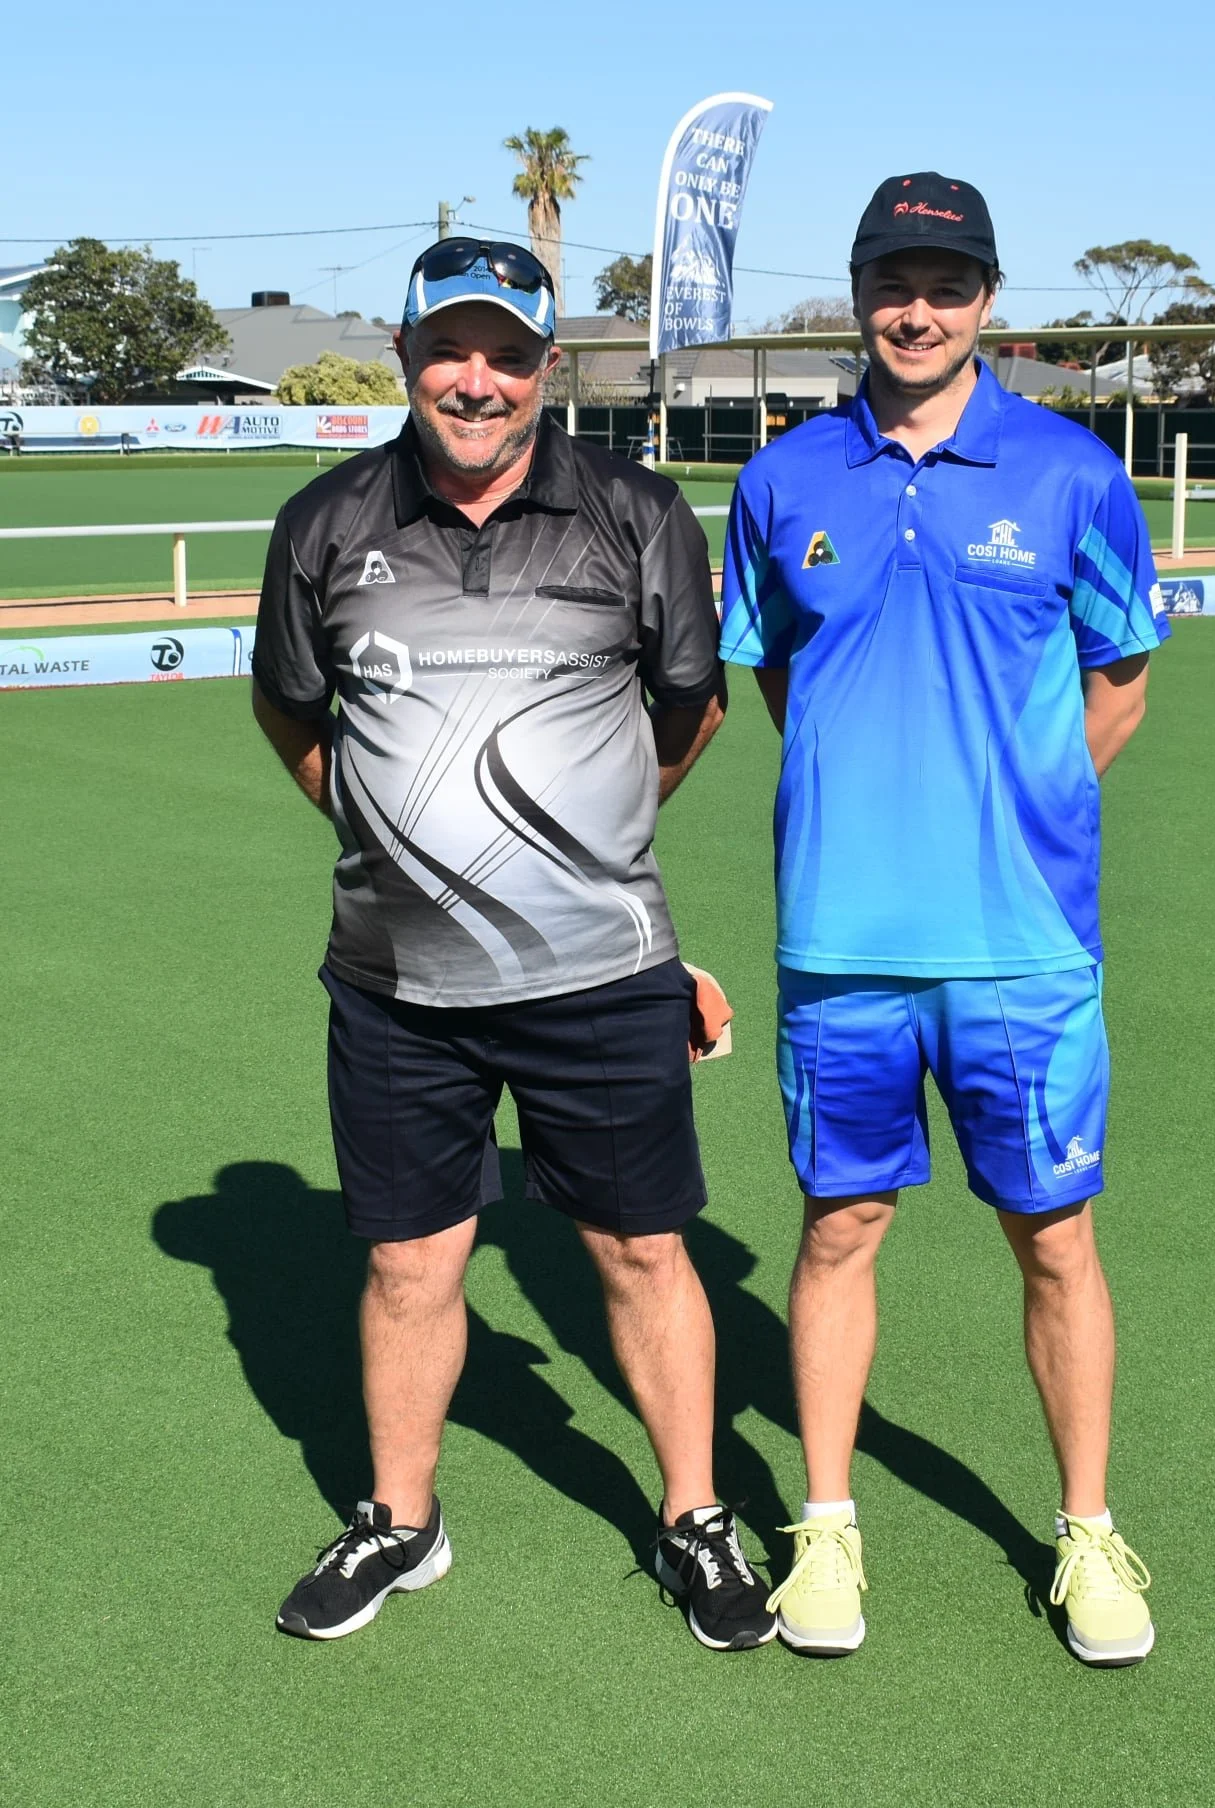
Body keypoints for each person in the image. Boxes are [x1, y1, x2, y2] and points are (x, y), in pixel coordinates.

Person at [250, 237, 776, 1652]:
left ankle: (693, 1517)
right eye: (447, 351)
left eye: (504, 355)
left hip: (599, 977)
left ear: (549, 366)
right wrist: (397, 847)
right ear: (408, 352)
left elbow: (692, 709)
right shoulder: (325, 521)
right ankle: (400, 1521)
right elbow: (297, 720)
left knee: (642, 1253)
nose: (473, 383)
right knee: (412, 1266)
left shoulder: (636, 510)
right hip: (396, 985)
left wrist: (572, 852)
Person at [719, 175, 1168, 1664]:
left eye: (947, 280)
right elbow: (778, 676)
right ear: (857, 291)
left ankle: (1089, 1536)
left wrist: (1013, 798)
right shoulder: (782, 480)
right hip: (843, 947)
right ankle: (828, 1534)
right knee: (840, 1225)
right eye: (893, 279)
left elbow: (1122, 678)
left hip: (1024, 948)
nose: (919, 307)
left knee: (1054, 1244)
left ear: (987, 297)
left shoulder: (1071, 472)